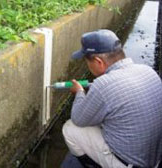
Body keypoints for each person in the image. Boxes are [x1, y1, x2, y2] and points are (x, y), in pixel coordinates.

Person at [62, 29, 162, 168]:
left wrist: (79, 92)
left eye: (87, 62)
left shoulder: (103, 84)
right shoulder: (148, 71)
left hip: (130, 164)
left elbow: (78, 119)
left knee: (70, 129)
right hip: (154, 159)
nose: (88, 66)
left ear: (98, 62)